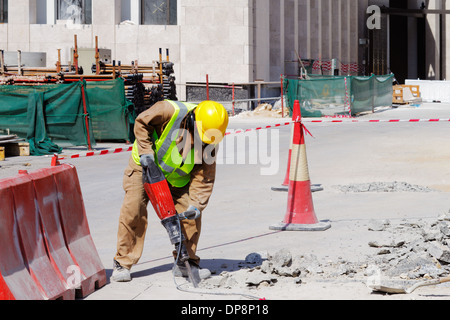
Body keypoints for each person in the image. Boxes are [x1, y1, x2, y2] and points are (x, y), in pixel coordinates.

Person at [111, 99, 229, 283]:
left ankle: (185, 262)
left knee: (190, 216)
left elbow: (205, 176)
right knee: (133, 210)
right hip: (144, 167)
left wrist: (196, 205)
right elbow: (142, 122)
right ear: (193, 120)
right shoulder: (169, 111)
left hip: (176, 179)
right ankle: (122, 263)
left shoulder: (210, 139)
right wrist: (145, 153)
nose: (202, 141)